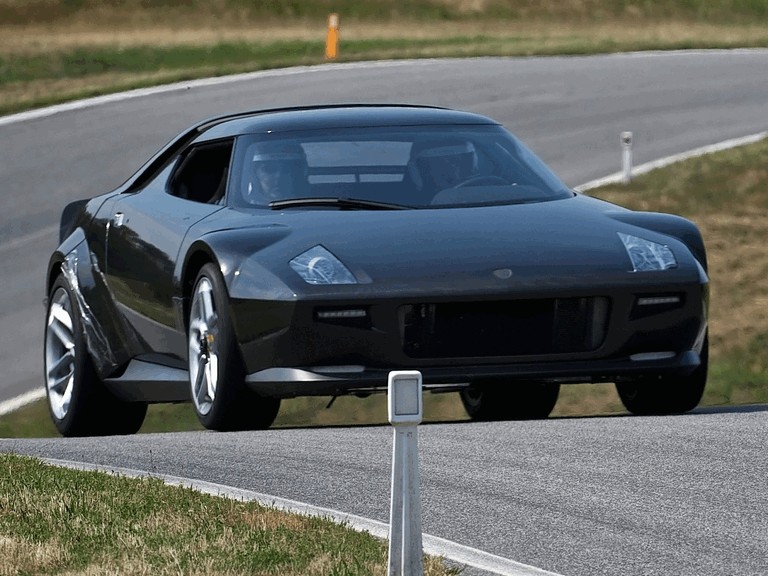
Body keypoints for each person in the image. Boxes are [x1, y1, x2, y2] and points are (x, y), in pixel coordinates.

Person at [244, 141, 309, 204]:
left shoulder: (315, 206)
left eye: (286, 169)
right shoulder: (243, 209)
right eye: (269, 169)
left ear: (299, 173)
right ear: (255, 173)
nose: (278, 176)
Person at [408, 139, 479, 193]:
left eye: (456, 161)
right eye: (442, 162)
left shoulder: (477, 190)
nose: (453, 166)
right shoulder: (411, 199)